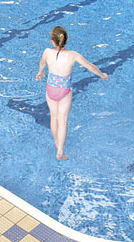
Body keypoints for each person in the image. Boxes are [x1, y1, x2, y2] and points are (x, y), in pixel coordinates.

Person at [36, 26, 108, 160]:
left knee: (54, 117)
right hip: (64, 90)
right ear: (67, 38)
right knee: (63, 120)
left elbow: (42, 63)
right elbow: (91, 67)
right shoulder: (73, 55)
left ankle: (57, 144)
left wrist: (40, 72)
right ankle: (60, 151)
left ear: (52, 41)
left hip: (51, 88)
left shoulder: (47, 52)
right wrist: (102, 74)